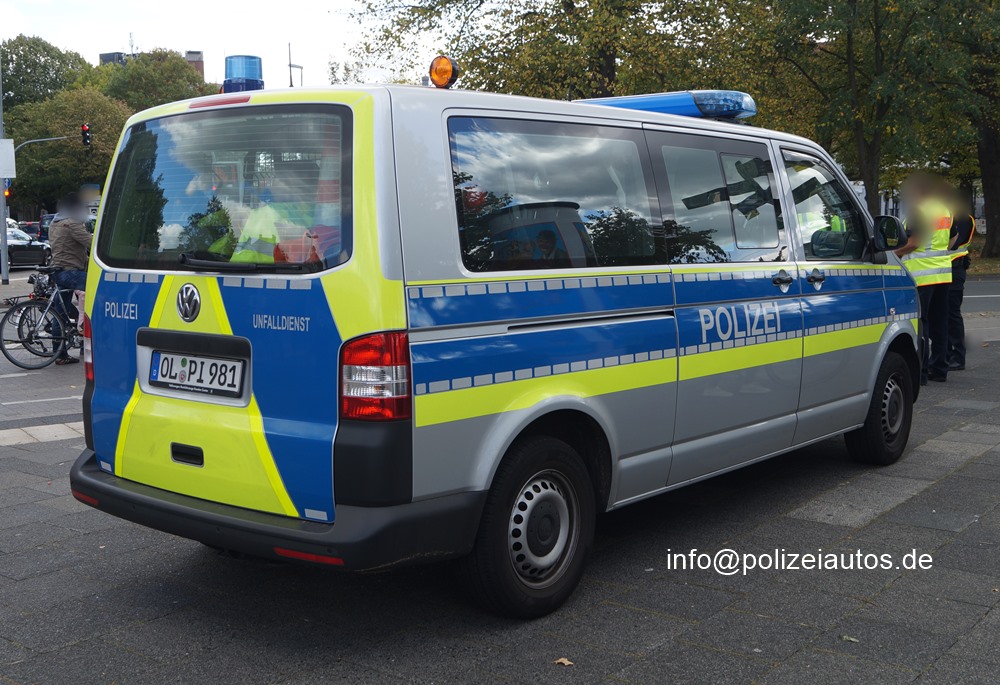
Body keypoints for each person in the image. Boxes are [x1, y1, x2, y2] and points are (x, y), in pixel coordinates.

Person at [894, 174, 953, 384]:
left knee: (922, 323)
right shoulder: (944, 210)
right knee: (940, 322)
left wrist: (894, 254)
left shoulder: (918, 210)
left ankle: (921, 372)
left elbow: (914, 243)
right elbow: (949, 239)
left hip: (922, 276)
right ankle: (940, 369)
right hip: (943, 273)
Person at [48, 193, 92, 365]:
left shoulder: (55, 222)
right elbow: (91, 242)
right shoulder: (72, 223)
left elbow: (69, 247)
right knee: (100, 288)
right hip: (70, 272)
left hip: (58, 270)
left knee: (59, 313)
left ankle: (59, 354)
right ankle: (87, 338)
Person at [946, 192, 976, 371]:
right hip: (945, 268)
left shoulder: (963, 219)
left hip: (955, 267)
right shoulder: (950, 217)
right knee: (943, 313)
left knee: (952, 313)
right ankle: (947, 354)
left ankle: (958, 356)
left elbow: (953, 243)